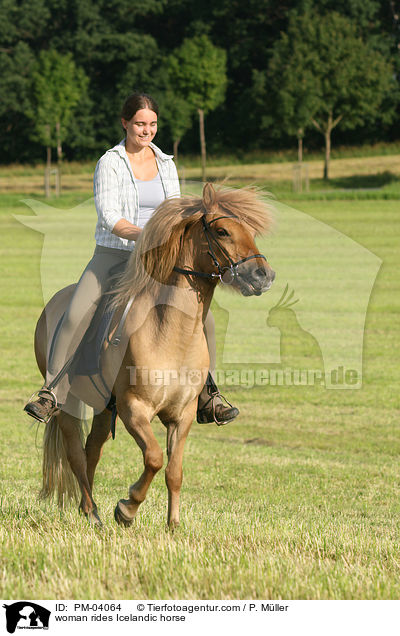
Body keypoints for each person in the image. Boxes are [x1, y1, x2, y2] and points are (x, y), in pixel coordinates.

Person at [24, 92, 239, 426]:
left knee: (203, 316)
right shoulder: (110, 162)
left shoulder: (166, 163)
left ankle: (208, 394)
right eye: (140, 123)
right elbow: (109, 215)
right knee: (77, 312)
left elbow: (177, 209)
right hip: (114, 254)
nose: (146, 130)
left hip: (159, 259)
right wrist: (145, 234)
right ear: (125, 123)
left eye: (152, 124)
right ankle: (52, 390)